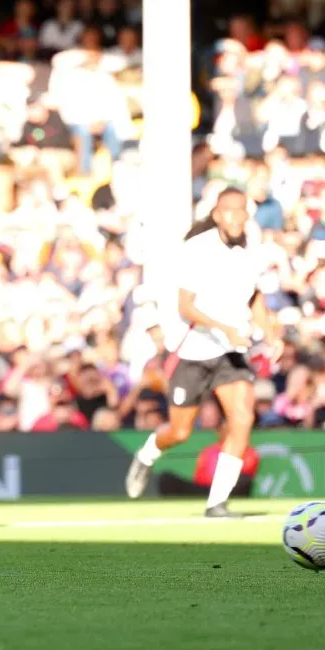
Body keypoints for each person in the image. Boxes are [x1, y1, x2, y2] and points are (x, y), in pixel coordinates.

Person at [124, 187, 282, 518]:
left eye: (242, 211)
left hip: (230, 353)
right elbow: (186, 306)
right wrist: (224, 327)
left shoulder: (249, 254)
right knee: (180, 431)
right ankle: (148, 454)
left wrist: (269, 333)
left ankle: (217, 503)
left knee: (242, 418)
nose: (236, 218)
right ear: (217, 215)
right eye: (229, 211)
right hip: (193, 349)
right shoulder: (197, 250)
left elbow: (254, 298)